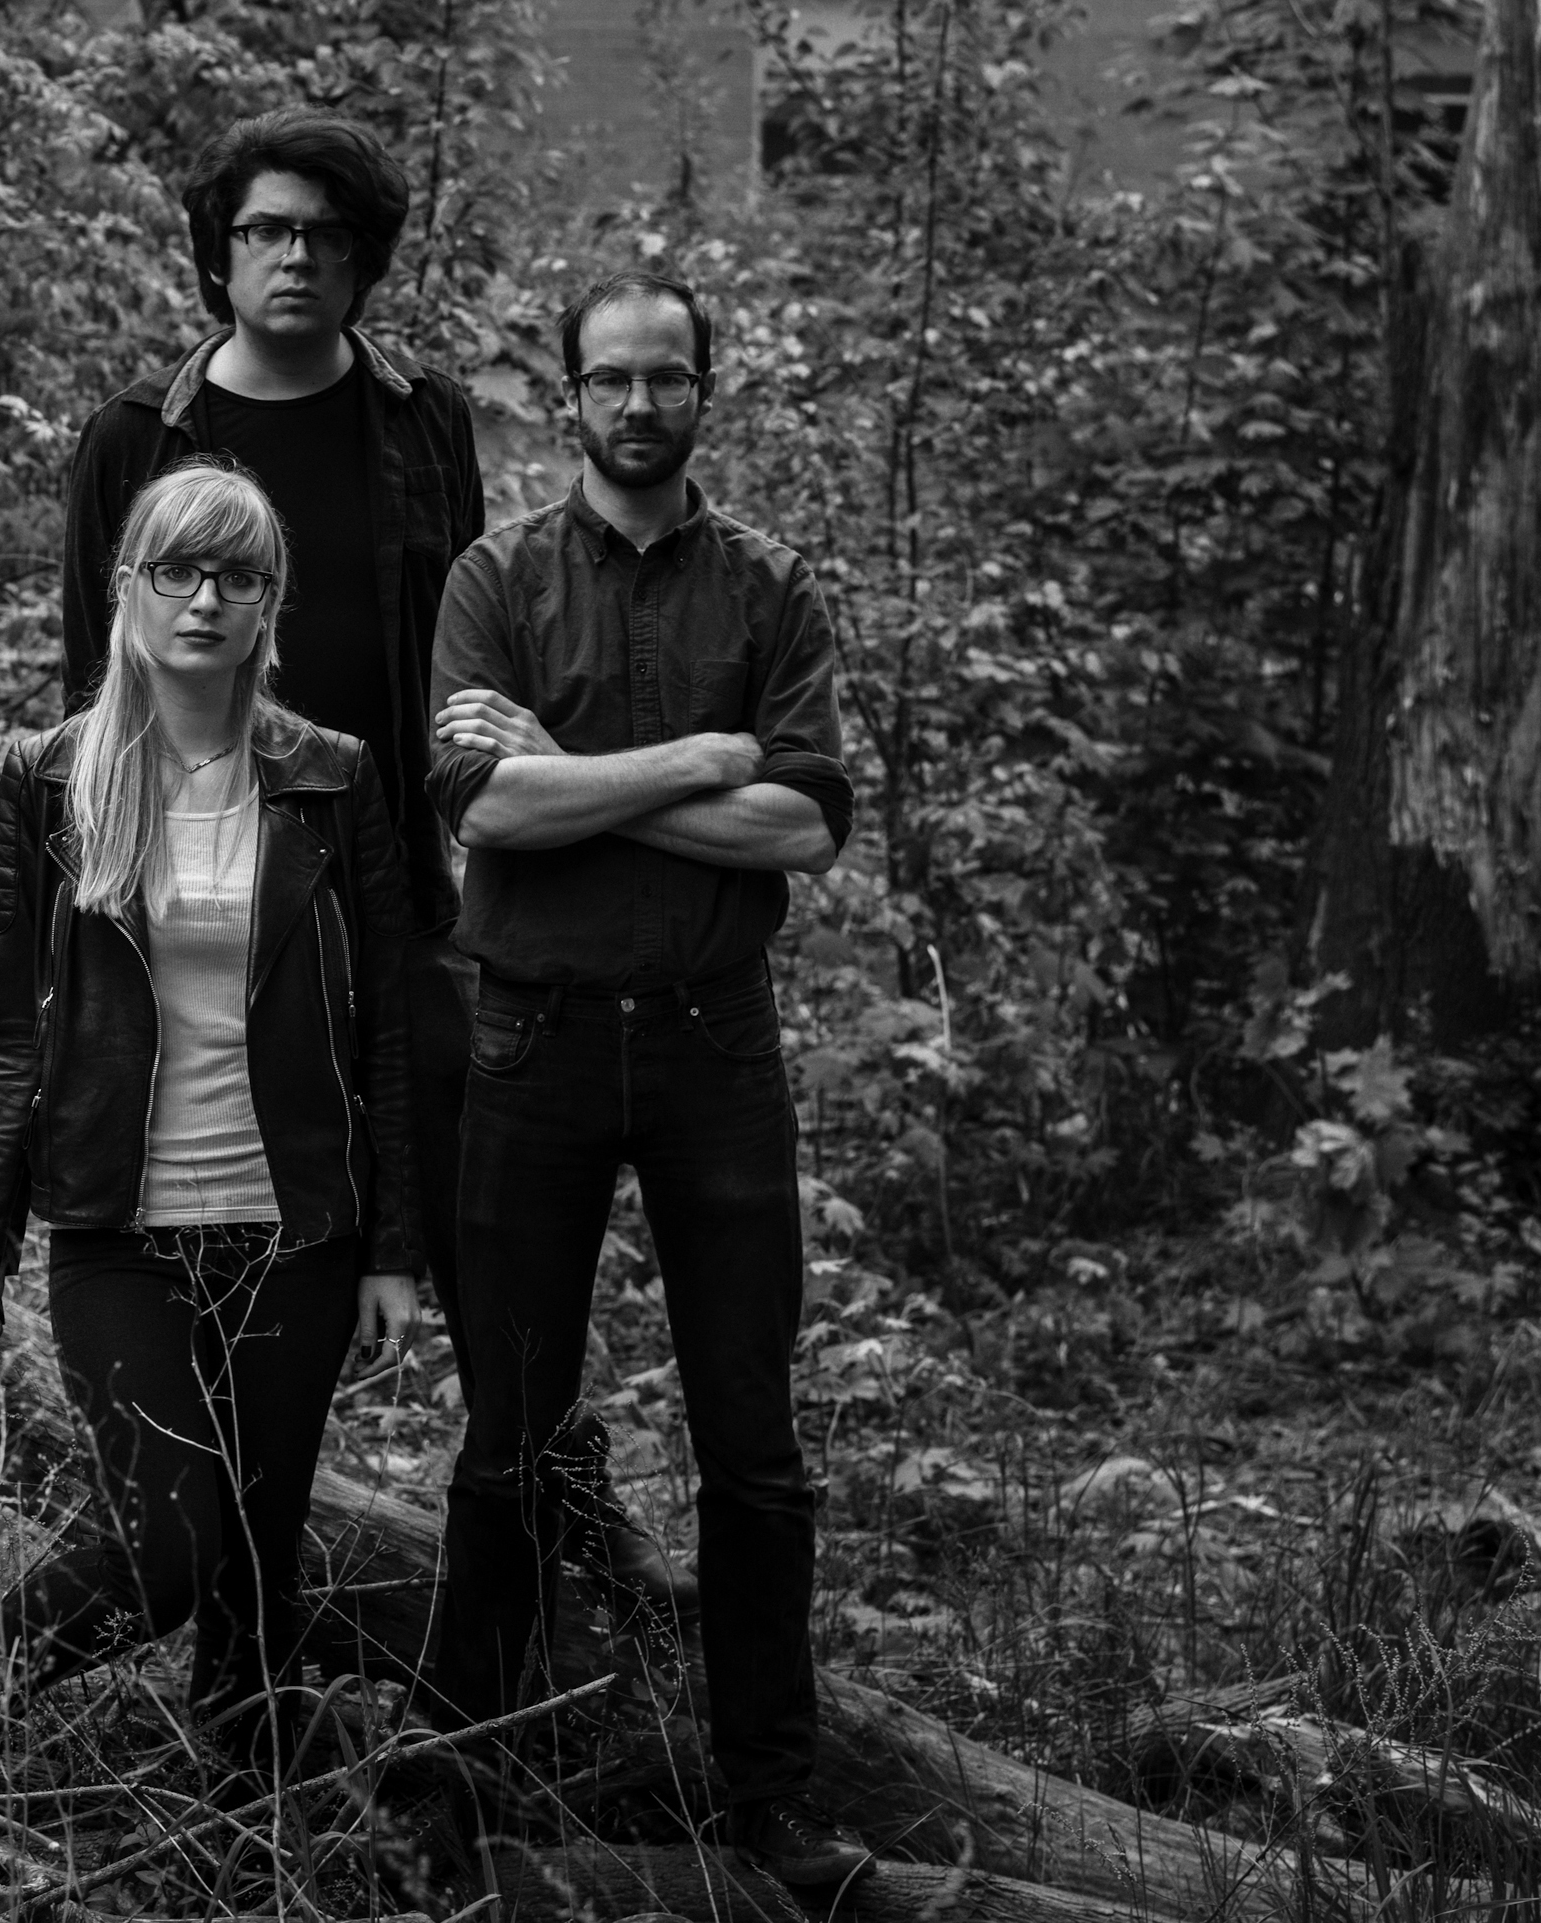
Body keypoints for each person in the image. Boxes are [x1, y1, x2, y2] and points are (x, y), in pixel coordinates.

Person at [58, 106, 691, 1620]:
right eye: (268, 231)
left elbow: (459, 645)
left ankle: (555, 1484)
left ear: (365, 259)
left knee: (477, 1198)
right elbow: (94, 679)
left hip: (392, 874)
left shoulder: (418, 418)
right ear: (219, 252)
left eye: (328, 235)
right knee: (215, 1198)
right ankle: (206, 1549)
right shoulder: (136, 436)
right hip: (204, 885)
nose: (297, 257)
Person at [419, 270, 867, 1885]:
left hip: (711, 1044)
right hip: (531, 1042)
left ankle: (772, 1800)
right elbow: (483, 806)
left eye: (665, 376)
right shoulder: (496, 577)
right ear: (569, 396)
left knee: (752, 1442)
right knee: (509, 1434)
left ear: (704, 392)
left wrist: (577, 774)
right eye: (609, 377)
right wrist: (696, 763)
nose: (636, 402)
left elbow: (804, 826)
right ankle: (457, 1787)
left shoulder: (770, 588)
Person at [0, 459, 422, 1779]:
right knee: (165, 1545)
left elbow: (390, 1026)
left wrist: (392, 1246)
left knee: (260, 1562)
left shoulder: (330, 777)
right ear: (128, 587)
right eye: (178, 570)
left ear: (271, 599)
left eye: (237, 575)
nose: (206, 599)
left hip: (294, 1230)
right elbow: (13, 1026)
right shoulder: (51, 777)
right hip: (118, 1229)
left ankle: (242, 1815)